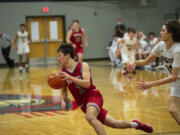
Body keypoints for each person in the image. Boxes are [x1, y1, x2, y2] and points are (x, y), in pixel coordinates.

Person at [57, 43, 153, 135]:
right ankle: (136, 124)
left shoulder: (83, 66)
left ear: (67, 55)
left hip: (93, 96)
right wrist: (63, 100)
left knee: (90, 117)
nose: (58, 59)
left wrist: (69, 77)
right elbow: (64, 89)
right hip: (83, 104)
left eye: (59, 55)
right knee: (114, 123)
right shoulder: (62, 72)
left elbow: (86, 84)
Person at [127, 20, 180, 125]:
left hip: (176, 80)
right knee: (173, 110)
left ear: (171, 33)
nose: (160, 32)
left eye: (163, 30)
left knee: (174, 109)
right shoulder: (161, 45)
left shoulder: (177, 50)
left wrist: (150, 84)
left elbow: (173, 76)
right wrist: (133, 62)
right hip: (177, 83)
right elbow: (146, 61)